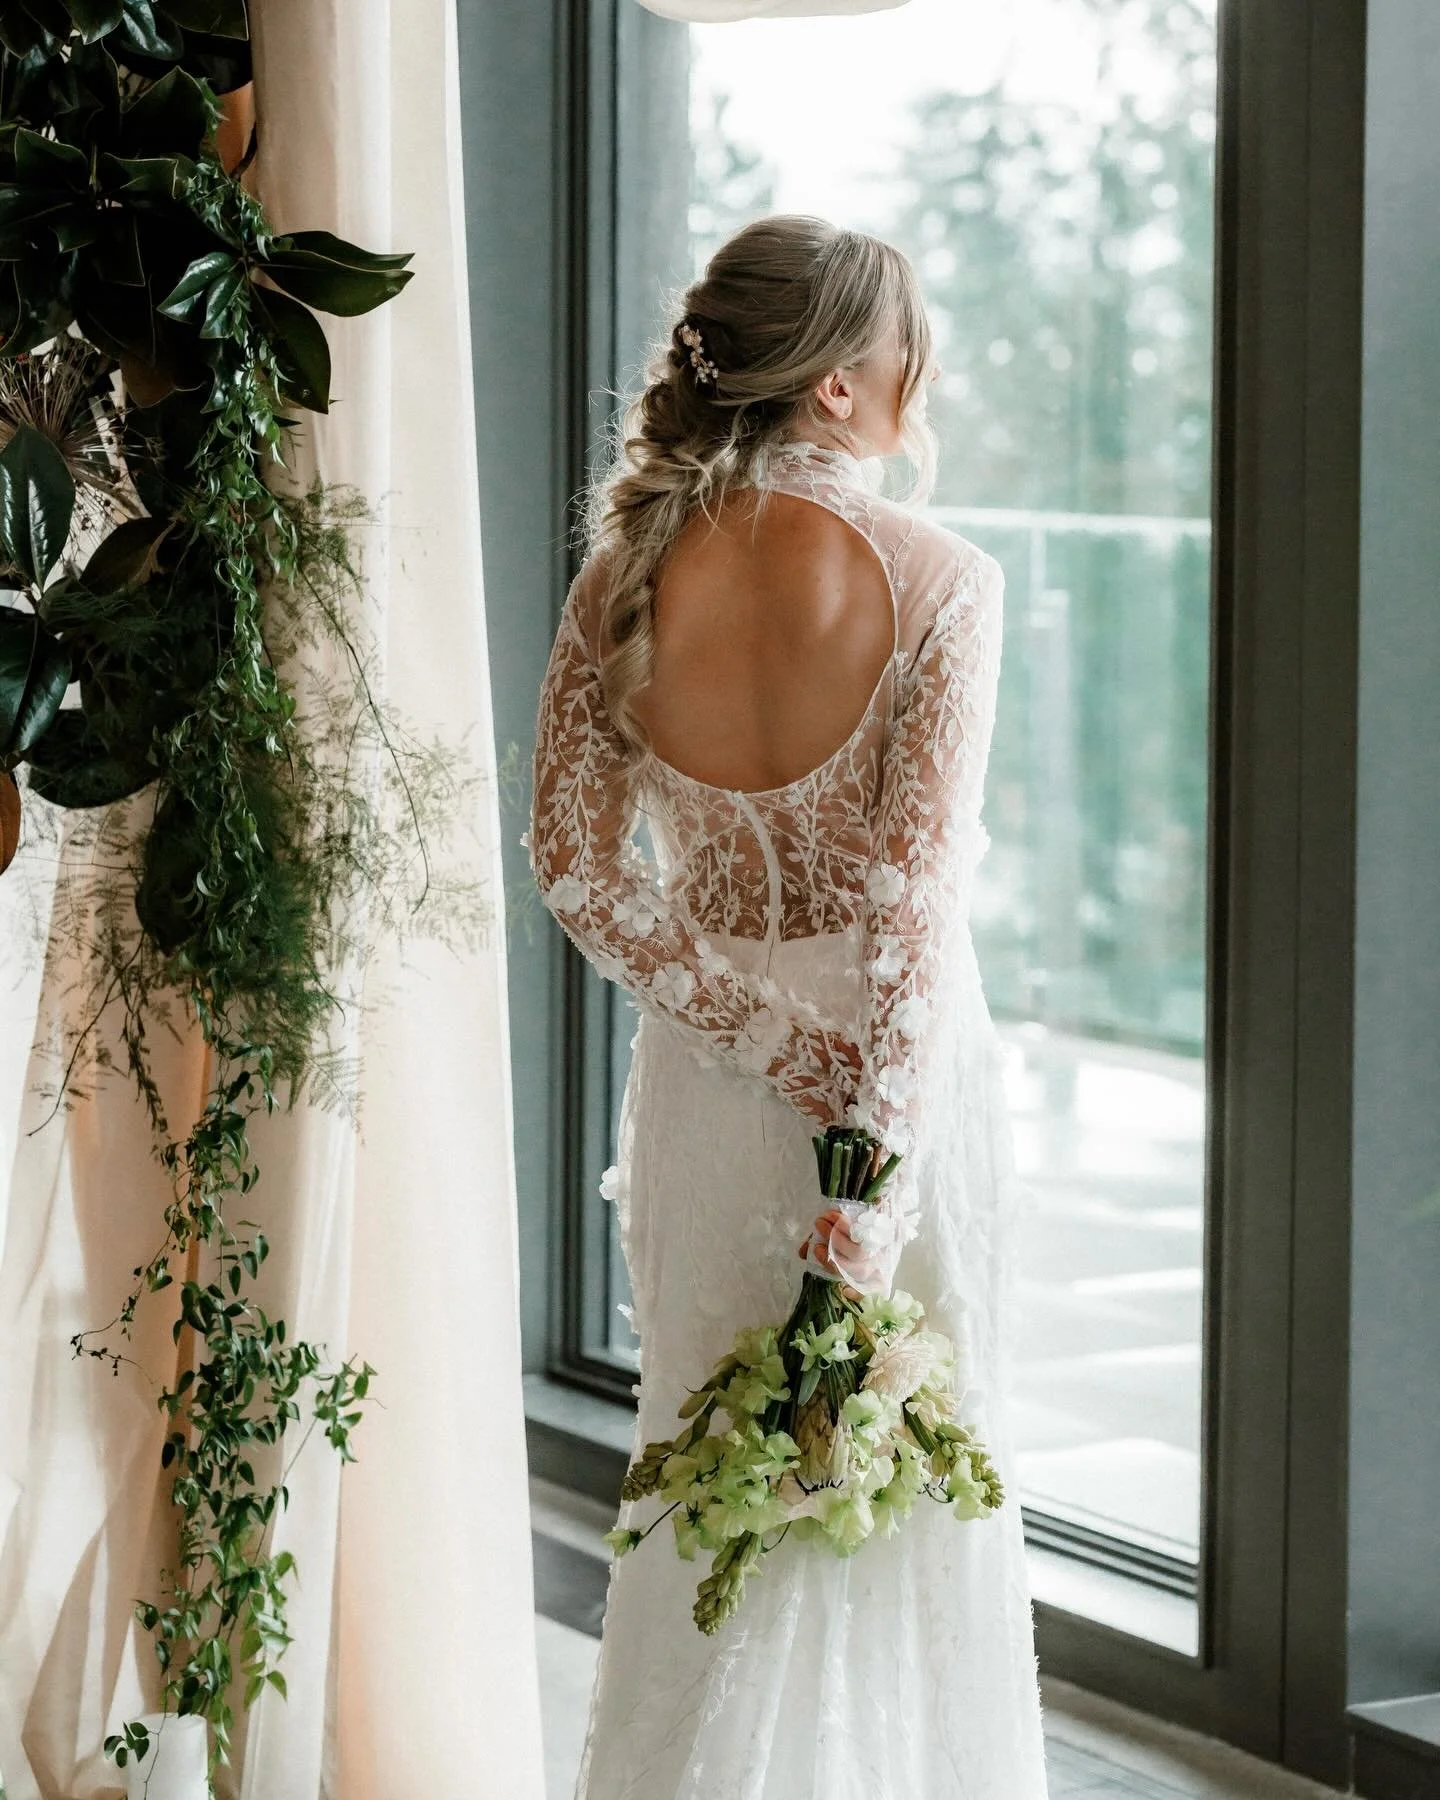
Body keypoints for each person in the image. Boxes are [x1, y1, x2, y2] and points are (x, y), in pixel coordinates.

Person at [529, 214, 1049, 1799]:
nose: (925, 368)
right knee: (906, 1512)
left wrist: (759, 1036)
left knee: (703, 1471)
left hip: (712, 1091)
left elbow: (576, 867)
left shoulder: (625, 573)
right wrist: (862, 1214)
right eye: (907, 341)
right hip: (887, 1107)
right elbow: (910, 918)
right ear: (834, 386)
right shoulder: (944, 583)